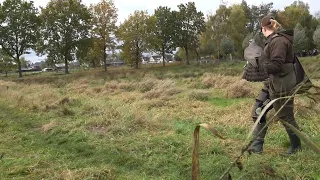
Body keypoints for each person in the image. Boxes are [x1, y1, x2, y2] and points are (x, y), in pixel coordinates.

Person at [248, 15, 302, 155]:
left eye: (262, 30)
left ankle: (296, 146)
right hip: (271, 83)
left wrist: (259, 67)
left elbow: (277, 65)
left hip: (283, 85)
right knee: (258, 111)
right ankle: (256, 147)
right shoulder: (272, 40)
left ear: (264, 28)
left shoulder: (279, 41)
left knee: (286, 116)